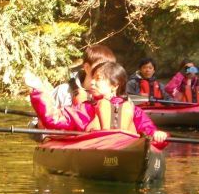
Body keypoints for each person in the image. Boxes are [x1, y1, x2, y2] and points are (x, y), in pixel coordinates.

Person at [27, 61, 169, 144]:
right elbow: (55, 119)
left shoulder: (133, 110)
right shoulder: (87, 109)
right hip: (97, 151)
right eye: (92, 78)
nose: (92, 83)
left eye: (98, 79)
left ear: (115, 85)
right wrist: (39, 92)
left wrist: (157, 134)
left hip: (126, 148)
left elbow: (148, 128)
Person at [51, 44, 116, 108]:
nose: (105, 72)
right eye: (101, 67)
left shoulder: (112, 99)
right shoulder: (64, 91)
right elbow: (46, 114)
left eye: (109, 69)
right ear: (87, 67)